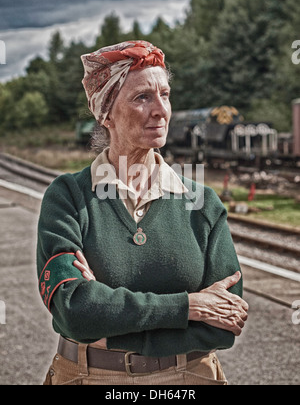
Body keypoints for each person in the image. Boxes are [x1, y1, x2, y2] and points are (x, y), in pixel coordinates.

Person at [37, 41, 248, 386]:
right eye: (142, 98)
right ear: (106, 113)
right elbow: (74, 311)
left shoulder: (202, 203)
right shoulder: (69, 198)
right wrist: (188, 307)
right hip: (90, 377)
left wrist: (108, 317)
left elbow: (224, 324)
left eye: (164, 95)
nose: (161, 110)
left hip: (191, 378)